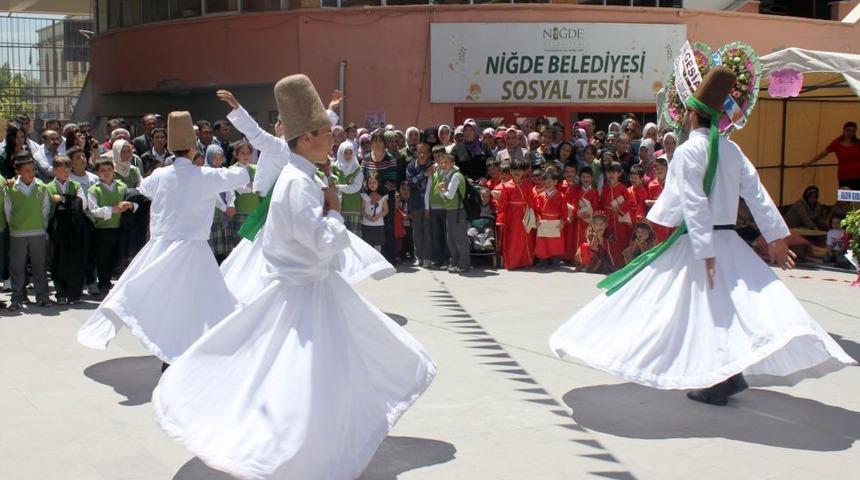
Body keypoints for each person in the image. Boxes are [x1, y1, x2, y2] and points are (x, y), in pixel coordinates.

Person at [152, 74, 435, 480]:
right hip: (306, 294)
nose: (331, 140)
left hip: (310, 291)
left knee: (322, 369)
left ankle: (316, 438)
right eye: (326, 134)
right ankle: (298, 446)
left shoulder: (302, 176)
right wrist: (335, 210)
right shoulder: (299, 183)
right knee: (309, 373)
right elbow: (321, 242)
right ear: (306, 139)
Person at [550, 66, 854, 407]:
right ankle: (726, 374)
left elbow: (694, 203)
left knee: (665, 307)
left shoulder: (688, 152)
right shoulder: (732, 151)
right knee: (722, 310)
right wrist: (776, 238)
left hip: (701, 244)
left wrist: (705, 251)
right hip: (727, 242)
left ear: (693, 115)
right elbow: (756, 193)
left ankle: (717, 376)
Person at [78, 111, 251, 370]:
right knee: (198, 303)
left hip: (160, 248)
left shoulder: (161, 175)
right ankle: (181, 352)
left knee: (167, 301)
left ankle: (173, 353)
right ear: (193, 147)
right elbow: (243, 176)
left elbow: (144, 187)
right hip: (192, 250)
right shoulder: (205, 175)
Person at [5, 153, 51, 310]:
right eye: (27, 170)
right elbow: (8, 211)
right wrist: (16, 227)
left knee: (39, 266)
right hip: (18, 233)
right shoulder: (11, 189)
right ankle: (17, 298)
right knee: (17, 267)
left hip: (37, 232)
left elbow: (45, 210)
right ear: (18, 172)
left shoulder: (42, 187)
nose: (31, 173)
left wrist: (41, 227)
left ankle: (42, 296)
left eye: (33, 170)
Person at [46, 155, 88, 304]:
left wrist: (63, 199)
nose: (66, 171)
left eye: (68, 168)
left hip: (73, 229)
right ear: (55, 170)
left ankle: (73, 293)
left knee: (73, 262)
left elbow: (82, 203)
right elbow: (45, 211)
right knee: (57, 262)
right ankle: (60, 293)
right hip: (57, 231)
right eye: (63, 168)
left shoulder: (75, 186)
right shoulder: (48, 188)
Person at [432, 149, 470, 273]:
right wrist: (441, 190)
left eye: (446, 162)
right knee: (451, 239)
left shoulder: (456, 176)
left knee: (459, 239)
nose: (443, 165)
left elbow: (449, 195)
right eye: (441, 163)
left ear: (453, 163)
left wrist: (441, 189)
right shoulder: (446, 176)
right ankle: (455, 262)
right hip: (450, 210)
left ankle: (463, 264)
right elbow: (444, 196)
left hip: (457, 211)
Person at [496, 157, 534, 270]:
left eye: (520, 170)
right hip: (512, 216)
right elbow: (502, 204)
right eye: (514, 170)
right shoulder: (506, 186)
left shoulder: (527, 184)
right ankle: (512, 262)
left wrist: (532, 214)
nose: (517, 172)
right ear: (511, 171)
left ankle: (525, 261)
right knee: (512, 239)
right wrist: (501, 220)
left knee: (525, 238)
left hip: (525, 213)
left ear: (523, 171)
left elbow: (531, 200)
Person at [803, 121, 860, 190]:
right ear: (843, 130)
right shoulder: (836, 143)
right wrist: (809, 163)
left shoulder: (858, 143)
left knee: (857, 198)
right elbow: (823, 154)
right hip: (844, 177)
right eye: (848, 130)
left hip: (858, 176)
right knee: (845, 199)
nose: (850, 133)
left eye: (853, 131)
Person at [205, 144, 236, 263]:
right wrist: (224, 207)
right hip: (213, 213)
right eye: (215, 158)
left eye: (220, 158)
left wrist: (231, 204)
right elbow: (212, 193)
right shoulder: (206, 172)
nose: (218, 161)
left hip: (225, 213)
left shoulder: (224, 171)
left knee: (225, 246)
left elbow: (230, 188)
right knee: (213, 244)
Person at [600, 161, 634, 267]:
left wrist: (619, 209)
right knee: (608, 239)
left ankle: (620, 263)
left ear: (619, 174)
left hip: (619, 219)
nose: (611, 175)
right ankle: (610, 262)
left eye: (614, 172)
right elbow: (601, 202)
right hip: (608, 217)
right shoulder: (605, 187)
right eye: (609, 172)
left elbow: (630, 201)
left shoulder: (622, 187)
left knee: (620, 240)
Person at [406, 143, 433, 267]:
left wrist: (423, 176)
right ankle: (418, 256)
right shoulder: (411, 166)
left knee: (428, 231)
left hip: (429, 205)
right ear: (416, 153)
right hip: (416, 203)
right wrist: (423, 175)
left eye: (425, 152)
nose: (422, 155)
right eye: (419, 152)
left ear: (428, 154)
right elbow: (410, 183)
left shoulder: (433, 165)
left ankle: (427, 257)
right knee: (416, 231)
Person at [228, 140, 259, 249]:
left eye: (248, 153)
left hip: (254, 211)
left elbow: (259, 188)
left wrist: (250, 185)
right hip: (240, 212)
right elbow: (241, 190)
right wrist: (253, 185)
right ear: (236, 155)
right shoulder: (232, 170)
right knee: (240, 246)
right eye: (242, 153)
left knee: (253, 245)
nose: (246, 156)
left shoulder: (256, 169)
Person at [534, 170, 565, 269]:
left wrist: (562, 221)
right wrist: (538, 219)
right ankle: (543, 262)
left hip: (555, 221)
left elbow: (564, 210)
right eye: (545, 183)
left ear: (555, 182)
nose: (547, 185)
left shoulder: (561, 195)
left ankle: (556, 261)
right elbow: (537, 209)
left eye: (549, 182)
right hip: (544, 222)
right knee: (543, 242)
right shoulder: (540, 195)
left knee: (555, 242)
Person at [332, 140, 363, 236]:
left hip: (352, 206)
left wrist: (338, 187)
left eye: (350, 152)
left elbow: (355, 187)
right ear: (341, 152)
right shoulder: (334, 167)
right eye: (345, 152)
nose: (348, 155)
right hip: (337, 207)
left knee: (353, 237)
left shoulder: (358, 169)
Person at [646, 157, 672, 243]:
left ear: (667, 170)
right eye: (657, 169)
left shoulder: (670, 183)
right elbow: (647, 202)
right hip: (656, 218)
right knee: (658, 241)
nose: (660, 171)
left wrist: (653, 202)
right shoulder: (651, 184)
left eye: (662, 169)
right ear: (654, 170)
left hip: (669, 217)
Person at [360, 172, 388, 252]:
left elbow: (386, 210)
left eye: (374, 182)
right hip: (366, 224)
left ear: (378, 183)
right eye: (370, 183)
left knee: (378, 244)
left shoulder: (383, 197)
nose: (372, 185)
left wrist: (378, 216)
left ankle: (378, 261)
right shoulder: (365, 195)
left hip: (378, 225)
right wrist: (367, 216)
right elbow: (362, 208)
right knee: (367, 244)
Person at [468, 187, 497, 252]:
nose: (485, 199)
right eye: (483, 196)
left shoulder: (490, 207)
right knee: (471, 231)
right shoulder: (475, 206)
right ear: (479, 197)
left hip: (485, 226)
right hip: (475, 226)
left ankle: (488, 241)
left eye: (487, 197)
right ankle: (476, 242)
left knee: (489, 231)